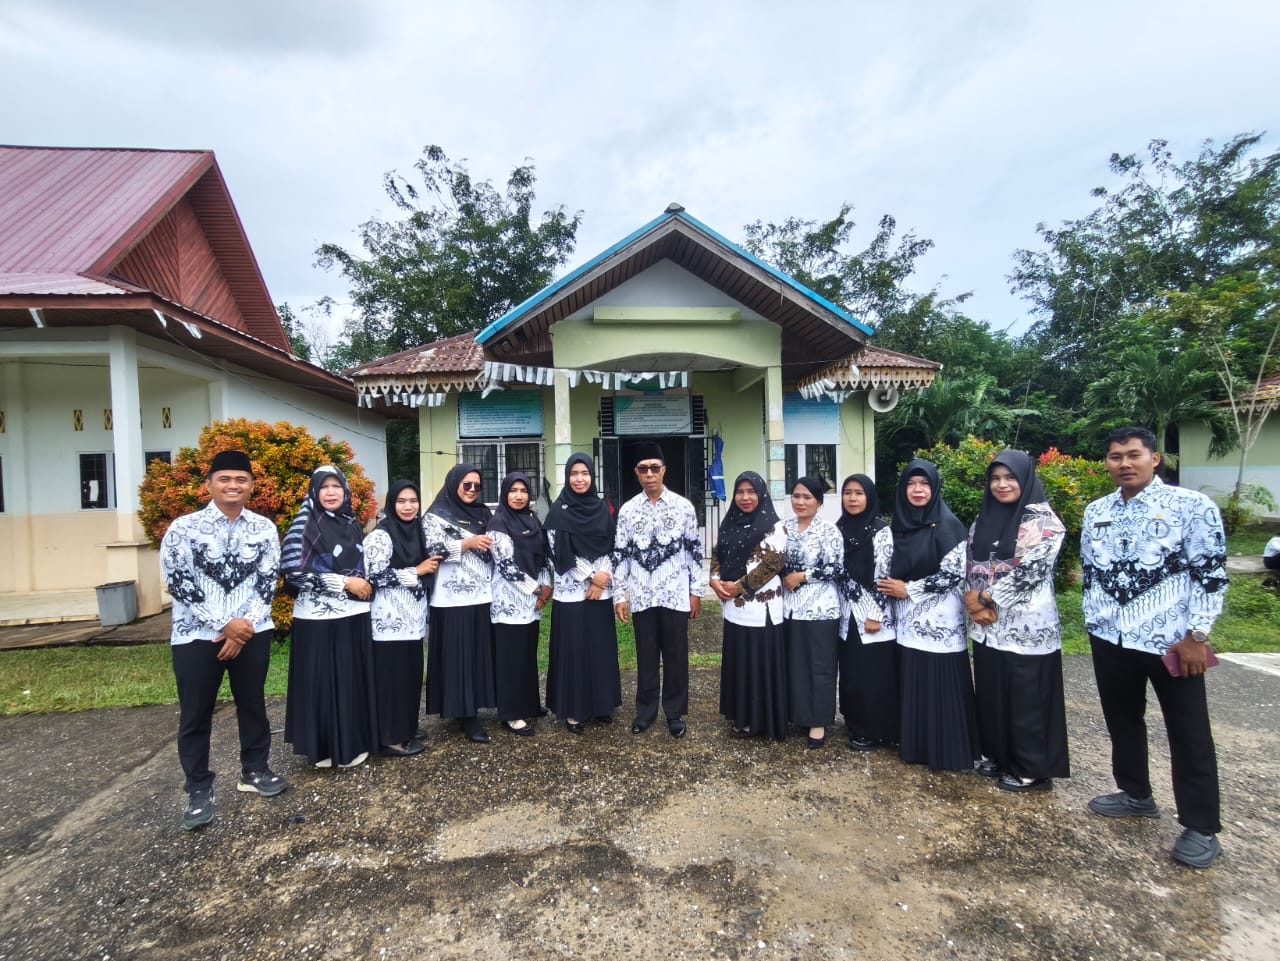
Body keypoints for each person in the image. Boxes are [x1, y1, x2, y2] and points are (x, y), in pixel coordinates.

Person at [1082, 426, 1229, 869]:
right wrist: (1095, 619)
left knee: (1188, 729)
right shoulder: (1097, 511)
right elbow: (1091, 570)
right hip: (1111, 637)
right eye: (1115, 457)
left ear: (1154, 458)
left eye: (1133, 455)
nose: (1124, 464)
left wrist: (1197, 635)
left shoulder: (1191, 506)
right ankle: (1136, 794)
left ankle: (1201, 826)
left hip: (1171, 641)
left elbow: (1211, 574)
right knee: (1122, 719)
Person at [159, 449, 287, 831]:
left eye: (241, 479)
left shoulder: (263, 528)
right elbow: (180, 584)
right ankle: (199, 789)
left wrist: (242, 627)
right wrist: (224, 625)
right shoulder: (184, 529)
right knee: (196, 713)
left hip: (252, 632)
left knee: (253, 705)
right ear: (209, 484)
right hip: (196, 635)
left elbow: (267, 581)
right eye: (225, 479)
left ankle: (255, 770)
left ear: (251, 486)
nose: (233, 485)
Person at [965, 451, 1070, 792]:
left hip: (1027, 627)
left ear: (1025, 479)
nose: (1002, 485)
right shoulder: (983, 518)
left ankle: (1032, 769)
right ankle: (997, 755)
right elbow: (970, 564)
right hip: (987, 626)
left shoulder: (1044, 522)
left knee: (1027, 698)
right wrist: (973, 602)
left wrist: (985, 598)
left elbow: (1031, 572)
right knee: (993, 692)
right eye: (995, 479)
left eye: (1010, 477)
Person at [877, 459, 978, 772]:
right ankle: (916, 746)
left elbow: (953, 573)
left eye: (924, 484)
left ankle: (948, 751)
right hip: (907, 624)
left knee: (940, 683)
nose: (917, 490)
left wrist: (908, 589)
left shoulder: (949, 526)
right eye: (911, 484)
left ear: (934, 488)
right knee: (914, 681)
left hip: (940, 623)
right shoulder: (899, 527)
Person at [282, 466, 379, 770]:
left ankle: (349, 746)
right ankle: (321, 749)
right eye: (324, 487)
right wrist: (345, 583)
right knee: (320, 684)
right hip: (316, 620)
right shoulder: (304, 525)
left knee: (349, 681)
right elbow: (293, 574)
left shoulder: (350, 523)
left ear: (345, 490)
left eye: (337, 486)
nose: (331, 492)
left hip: (353, 615)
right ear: (314, 491)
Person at [613, 443, 706, 738]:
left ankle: (674, 713)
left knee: (676, 657)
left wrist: (696, 591)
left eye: (655, 468)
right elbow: (621, 555)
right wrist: (619, 595)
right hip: (642, 595)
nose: (650, 474)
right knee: (647, 657)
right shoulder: (628, 511)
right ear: (636, 473)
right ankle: (645, 712)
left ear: (664, 470)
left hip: (675, 594)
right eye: (644, 469)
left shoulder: (683, 507)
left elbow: (694, 552)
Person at [544, 454, 622, 734]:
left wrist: (602, 580)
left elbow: (613, 545)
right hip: (571, 594)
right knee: (575, 651)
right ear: (567, 477)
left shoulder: (602, 509)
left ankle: (601, 705)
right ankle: (575, 710)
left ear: (592, 476)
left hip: (599, 593)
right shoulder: (558, 512)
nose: (579, 479)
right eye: (574, 473)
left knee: (599, 648)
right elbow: (558, 552)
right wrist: (591, 576)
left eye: (585, 473)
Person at [422, 463, 498, 743]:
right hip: (450, 599)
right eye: (467, 485)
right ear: (454, 484)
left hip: (482, 596)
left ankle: (473, 706)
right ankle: (464, 713)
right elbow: (428, 548)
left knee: (476, 655)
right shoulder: (435, 516)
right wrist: (465, 544)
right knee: (457, 657)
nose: (472, 490)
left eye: (477, 486)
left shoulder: (484, 514)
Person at [709, 471, 788, 740]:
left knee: (758, 664)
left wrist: (739, 587)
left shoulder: (773, 526)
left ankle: (761, 722)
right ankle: (741, 717)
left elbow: (772, 564)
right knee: (740, 664)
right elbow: (718, 552)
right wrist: (715, 580)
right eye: (740, 492)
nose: (745, 497)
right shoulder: (730, 523)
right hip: (735, 609)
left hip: (761, 610)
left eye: (751, 492)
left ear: (761, 495)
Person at [365, 480, 440, 757]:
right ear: (391, 504)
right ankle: (390, 738)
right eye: (401, 501)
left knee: (410, 677)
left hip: (414, 621)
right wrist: (416, 571)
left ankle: (406, 727)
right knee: (391, 681)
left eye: (413, 501)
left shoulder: (418, 532)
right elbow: (374, 576)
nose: (408, 507)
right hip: (388, 622)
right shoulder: (381, 536)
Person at [835, 473, 898, 751]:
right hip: (845, 613)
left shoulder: (880, 531)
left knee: (873, 672)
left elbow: (884, 573)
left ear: (869, 497)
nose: (852, 498)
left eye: (859, 493)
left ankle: (875, 730)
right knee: (851, 671)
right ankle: (855, 723)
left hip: (872, 615)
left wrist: (876, 613)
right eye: (848, 492)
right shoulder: (839, 528)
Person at [781, 476, 844, 748]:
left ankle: (817, 722)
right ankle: (797, 715)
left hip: (820, 610)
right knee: (794, 665)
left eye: (807, 497)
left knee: (819, 666)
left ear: (818, 502)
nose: (801, 502)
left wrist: (803, 576)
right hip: (789, 609)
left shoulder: (829, 531)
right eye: (796, 496)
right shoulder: (782, 528)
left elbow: (836, 568)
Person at [488, 471, 553, 736]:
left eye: (524, 491)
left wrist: (546, 586)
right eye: (513, 491)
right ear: (505, 494)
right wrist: (537, 589)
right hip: (509, 601)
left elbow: (545, 556)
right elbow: (506, 566)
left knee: (527, 654)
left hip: (532, 602)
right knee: (511, 659)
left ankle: (529, 704)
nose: (518, 496)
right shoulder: (498, 523)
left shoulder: (532, 519)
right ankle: (512, 713)